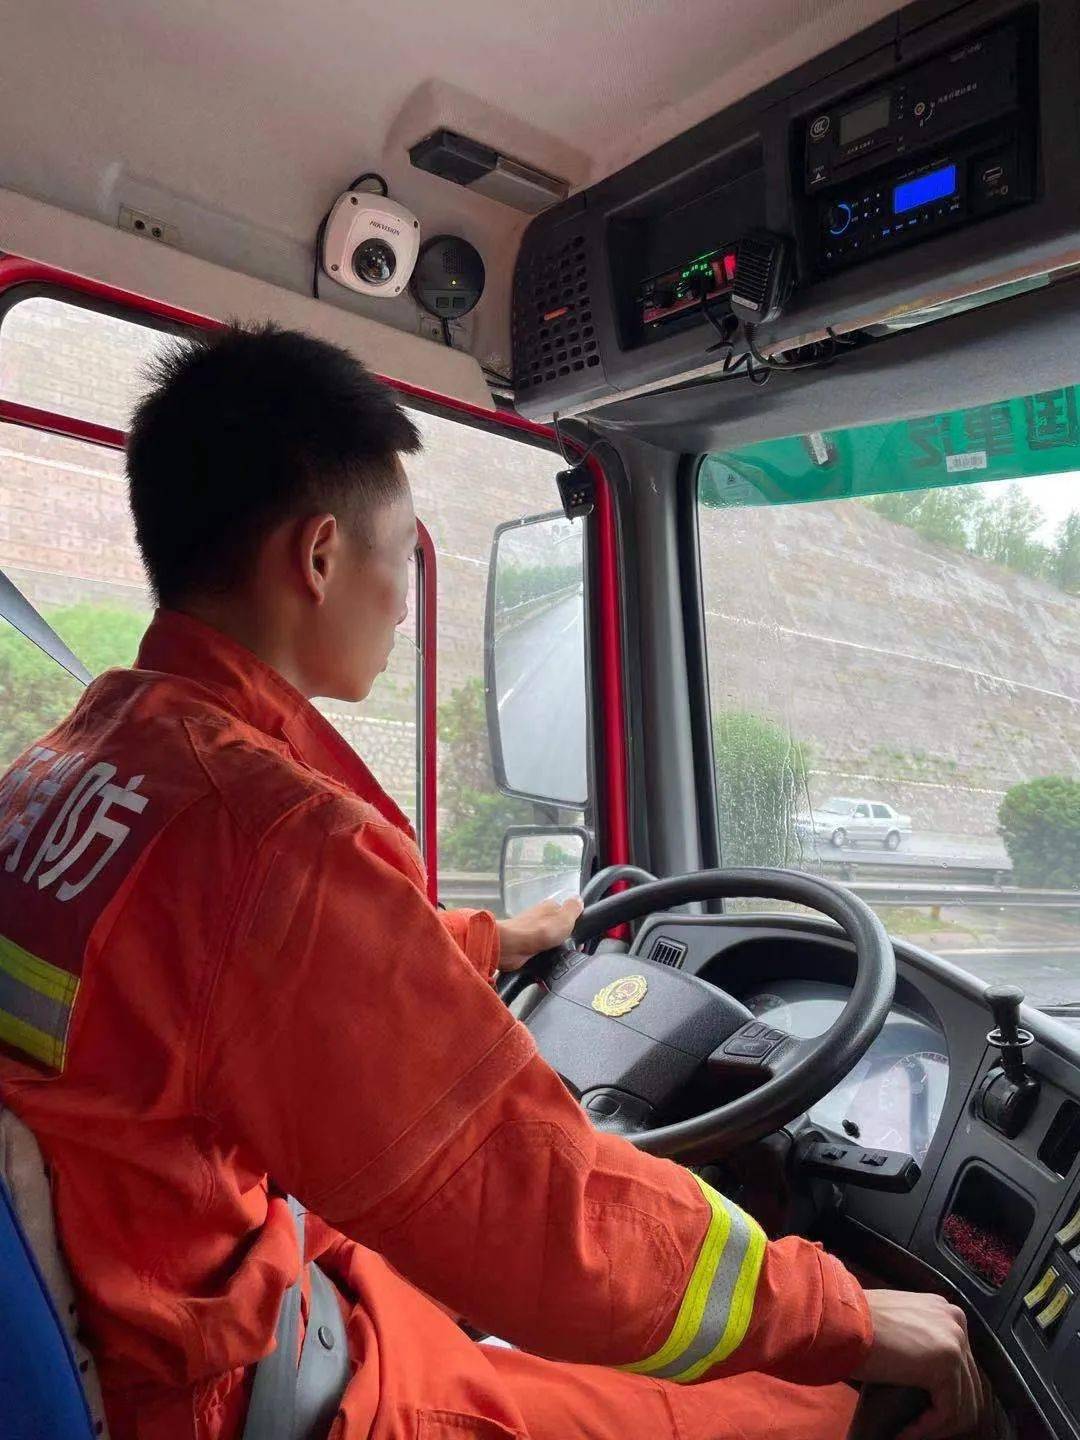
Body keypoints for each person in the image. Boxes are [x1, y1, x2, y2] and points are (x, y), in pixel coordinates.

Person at [0, 324, 985, 1440]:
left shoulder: (81, 759)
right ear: (320, 556)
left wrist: (484, 942)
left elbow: (234, 981)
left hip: (133, 1299)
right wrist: (841, 1312)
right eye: (400, 552)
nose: (405, 599)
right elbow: (540, 1213)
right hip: (211, 1387)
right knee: (815, 1410)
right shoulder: (274, 837)